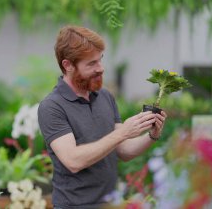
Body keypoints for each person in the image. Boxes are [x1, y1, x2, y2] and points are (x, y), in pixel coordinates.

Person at [37, 25, 167, 209]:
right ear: (68, 65)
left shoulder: (105, 96)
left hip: (110, 203)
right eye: (91, 63)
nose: (101, 68)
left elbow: (123, 150)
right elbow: (73, 161)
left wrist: (151, 135)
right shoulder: (52, 106)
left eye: (100, 60)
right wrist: (123, 133)